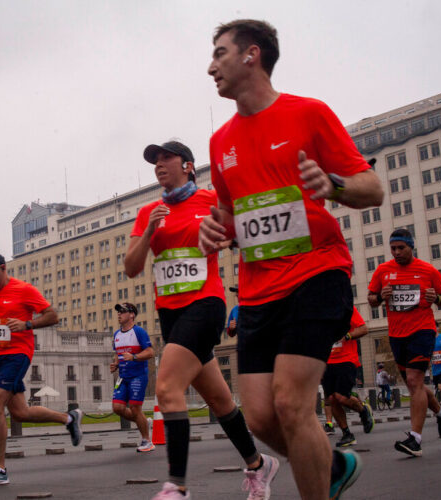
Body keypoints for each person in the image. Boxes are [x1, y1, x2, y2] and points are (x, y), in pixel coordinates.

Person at [200, 19, 384, 500]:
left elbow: (373, 188)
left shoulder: (309, 114)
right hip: (259, 288)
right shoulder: (221, 143)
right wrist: (214, 229)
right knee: (259, 415)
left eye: (219, 53)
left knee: (291, 402)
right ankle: (334, 463)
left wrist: (333, 184)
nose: (210, 66)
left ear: (251, 55)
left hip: (317, 272)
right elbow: (229, 215)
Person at [127, 140, 277, 500]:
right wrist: (149, 232)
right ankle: (259, 465)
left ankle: (176, 486)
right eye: (155, 161)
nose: (159, 166)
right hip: (170, 313)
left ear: (188, 165)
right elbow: (132, 268)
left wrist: (227, 241)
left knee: (166, 389)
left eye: (167, 158)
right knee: (220, 401)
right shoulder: (150, 210)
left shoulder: (210, 201)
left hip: (206, 304)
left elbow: (247, 233)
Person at [0, 252, 82, 487]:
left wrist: (27, 324)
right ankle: (69, 419)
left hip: (18, 354)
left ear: (3, 268)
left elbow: (52, 315)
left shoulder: (24, 289)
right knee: (20, 412)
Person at [368, 229, 441, 457]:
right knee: (414, 386)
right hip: (397, 335)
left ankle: (415, 439)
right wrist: (379, 297)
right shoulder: (383, 271)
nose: (396, 252)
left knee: (415, 380)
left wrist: (436, 299)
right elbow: (371, 299)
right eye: (392, 248)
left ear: (410, 247)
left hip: (422, 331)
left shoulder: (428, 270)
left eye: (400, 248)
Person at [322, 307, 374, 448]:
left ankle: (363, 410)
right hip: (326, 361)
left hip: (346, 359)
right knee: (332, 399)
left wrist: (346, 336)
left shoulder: (345, 307)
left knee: (341, 396)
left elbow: (363, 329)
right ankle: (347, 434)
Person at [109, 302, 155, 452]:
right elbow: (118, 353)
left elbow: (150, 352)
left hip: (138, 376)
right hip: (122, 377)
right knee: (117, 408)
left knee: (135, 408)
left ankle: (147, 441)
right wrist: (115, 364)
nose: (119, 314)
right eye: (118, 312)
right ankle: (143, 422)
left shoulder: (139, 331)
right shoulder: (116, 334)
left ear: (131, 315)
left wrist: (134, 357)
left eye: (122, 311)